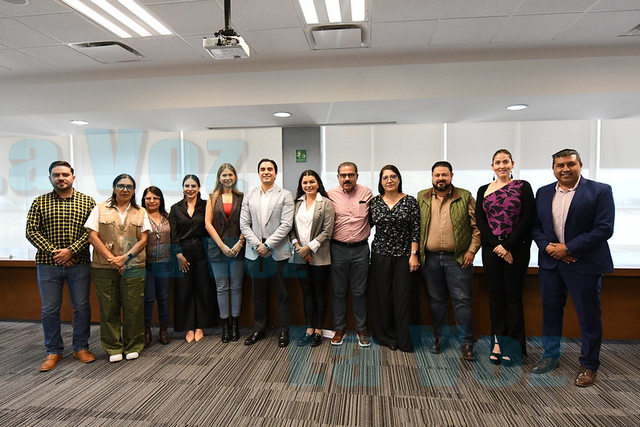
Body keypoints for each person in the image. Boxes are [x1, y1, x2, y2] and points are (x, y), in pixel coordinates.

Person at [530, 148, 615, 387]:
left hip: (584, 264)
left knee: (588, 316)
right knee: (551, 313)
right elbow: (535, 227)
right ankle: (550, 355)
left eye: (570, 164)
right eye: (560, 165)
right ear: (553, 169)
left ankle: (589, 364)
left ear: (580, 165)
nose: (565, 169)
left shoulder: (600, 191)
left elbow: (604, 228)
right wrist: (549, 248)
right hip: (551, 264)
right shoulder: (543, 192)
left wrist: (568, 249)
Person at [26, 160, 96, 371]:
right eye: (56, 175)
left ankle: (81, 347)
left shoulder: (87, 202)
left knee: (82, 307)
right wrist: (57, 253)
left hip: (79, 264)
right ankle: (53, 350)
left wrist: (71, 251)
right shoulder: (39, 202)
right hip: (48, 265)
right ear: (50, 178)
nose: (61, 178)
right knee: (50, 309)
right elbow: (31, 231)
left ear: (73, 177)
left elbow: (91, 232)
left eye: (65, 174)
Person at [475, 150, 534, 365]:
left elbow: (527, 218)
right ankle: (498, 343)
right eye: (498, 162)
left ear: (512, 164)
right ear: (492, 166)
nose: (502, 166)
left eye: (505, 162)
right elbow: (481, 221)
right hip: (491, 250)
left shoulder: (522, 186)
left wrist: (507, 246)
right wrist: (497, 246)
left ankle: (513, 347)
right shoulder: (483, 190)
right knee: (496, 297)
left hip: (516, 250)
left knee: (513, 297)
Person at [418, 161, 481, 361]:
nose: (441, 179)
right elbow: (416, 227)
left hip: (458, 259)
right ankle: (440, 338)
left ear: (451, 176)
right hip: (430, 259)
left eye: (444, 175)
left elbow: (477, 227)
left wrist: (471, 251)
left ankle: (467, 343)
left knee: (462, 301)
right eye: (437, 175)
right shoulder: (422, 197)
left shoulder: (465, 196)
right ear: (432, 177)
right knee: (436, 300)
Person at [86, 173, 150, 362]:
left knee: (134, 307)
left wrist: (124, 258)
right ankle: (113, 347)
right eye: (121, 186)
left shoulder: (141, 211)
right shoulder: (100, 209)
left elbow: (144, 239)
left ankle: (133, 345)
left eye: (129, 186)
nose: (125, 189)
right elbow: (92, 236)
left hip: (134, 265)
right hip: (104, 266)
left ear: (134, 190)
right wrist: (112, 259)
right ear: (114, 188)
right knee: (108, 307)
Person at [240, 158, 294, 347]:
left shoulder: (285, 195)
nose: (266, 172)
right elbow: (244, 224)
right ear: (258, 173)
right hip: (255, 251)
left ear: (275, 173)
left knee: (282, 293)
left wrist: (268, 245)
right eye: (262, 169)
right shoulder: (250, 195)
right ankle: (259, 329)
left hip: (277, 251)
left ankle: (284, 330)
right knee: (258, 293)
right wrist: (258, 244)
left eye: (270, 169)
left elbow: (286, 224)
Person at [370, 165, 420, 352]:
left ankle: (404, 338)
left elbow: (416, 230)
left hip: (404, 256)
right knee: (382, 297)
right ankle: (386, 337)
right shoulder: (374, 202)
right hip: (380, 255)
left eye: (393, 176)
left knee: (402, 298)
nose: (389, 180)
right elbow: (365, 225)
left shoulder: (410, 201)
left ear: (399, 179)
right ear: (380, 181)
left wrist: (414, 254)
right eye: (385, 177)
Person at [328, 161, 373, 347]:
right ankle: (339, 328)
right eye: (343, 175)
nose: (347, 178)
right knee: (339, 291)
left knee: (360, 291)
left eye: (351, 175)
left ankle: (361, 329)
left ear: (357, 176)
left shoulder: (366, 193)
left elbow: (372, 218)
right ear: (338, 177)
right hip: (337, 249)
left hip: (360, 249)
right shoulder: (330, 195)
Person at [289, 170, 335, 348]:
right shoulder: (296, 203)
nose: (308, 185)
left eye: (311, 182)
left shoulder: (326, 203)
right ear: (301, 185)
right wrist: (299, 248)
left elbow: (327, 231)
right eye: (305, 182)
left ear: (318, 183)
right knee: (307, 292)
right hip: (300, 256)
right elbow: (291, 229)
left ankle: (319, 330)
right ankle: (309, 329)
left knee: (319, 292)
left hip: (320, 255)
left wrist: (308, 248)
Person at [169, 174, 213, 343]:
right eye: (187, 186)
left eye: (193, 186)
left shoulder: (206, 205)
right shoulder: (176, 208)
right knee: (184, 290)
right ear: (183, 188)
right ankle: (188, 327)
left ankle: (200, 326)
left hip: (202, 251)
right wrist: (178, 254)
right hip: (183, 253)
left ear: (198, 188)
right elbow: (174, 234)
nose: (190, 189)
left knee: (203, 288)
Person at [205, 163, 245, 343]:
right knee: (221, 288)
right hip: (217, 248)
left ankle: (235, 325)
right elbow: (208, 224)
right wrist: (221, 245)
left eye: (230, 175)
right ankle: (225, 327)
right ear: (219, 178)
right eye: (224, 175)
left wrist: (240, 243)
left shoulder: (242, 198)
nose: (227, 178)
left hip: (238, 247)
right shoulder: (212, 198)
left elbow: (247, 222)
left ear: (235, 177)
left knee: (236, 287)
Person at [141, 186, 171, 347]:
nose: (152, 201)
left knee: (163, 297)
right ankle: (146, 330)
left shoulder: (168, 217)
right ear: (144, 200)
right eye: (148, 198)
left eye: (155, 198)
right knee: (148, 298)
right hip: (146, 264)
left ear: (160, 200)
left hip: (164, 263)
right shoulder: (140, 216)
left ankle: (163, 330)